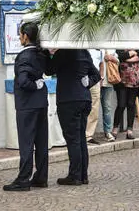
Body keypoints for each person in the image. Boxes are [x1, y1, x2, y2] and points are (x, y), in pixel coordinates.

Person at [3, 23, 49, 192]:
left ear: (25, 36)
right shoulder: (40, 53)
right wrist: (37, 84)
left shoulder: (24, 56)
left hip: (27, 105)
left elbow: (23, 81)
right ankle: (41, 176)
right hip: (41, 103)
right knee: (42, 141)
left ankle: (23, 179)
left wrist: (33, 85)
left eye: (20, 34)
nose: (19, 38)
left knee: (27, 143)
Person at [46, 49, 100, 186]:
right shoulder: (84, 53)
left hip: (69, 100)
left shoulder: (62, 53)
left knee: (73, 139)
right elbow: (96, 74)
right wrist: (87, 83)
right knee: (81, 138)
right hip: (84, 99)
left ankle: (75, 175)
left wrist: (46, 53)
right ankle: (83, 175)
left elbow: (48, 70)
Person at [114, 49, 139, 140]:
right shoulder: (121, 44)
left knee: (131, 104)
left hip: (135, 80)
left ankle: (130, 130)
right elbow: (120, 56)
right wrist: (132, 53)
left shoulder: (136, 43)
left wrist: (128, 58)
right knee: (121, 105)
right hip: (121, 80)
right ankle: (115, 128)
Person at [86, 49, 102, 145]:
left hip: (95, 80)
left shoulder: (99, 48)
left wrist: (101, 78)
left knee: (94, 108)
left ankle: (88, 135)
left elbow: (101, 63)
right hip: (82, 77)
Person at [101, 50, 118, 142]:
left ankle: (108, 131)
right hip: (95, 81)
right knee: (92, 108)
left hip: (108, 81)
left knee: (107, 107)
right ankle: (88, 134)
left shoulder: (111, 47)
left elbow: (117, 61)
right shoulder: (93, 46)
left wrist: (111, 58)